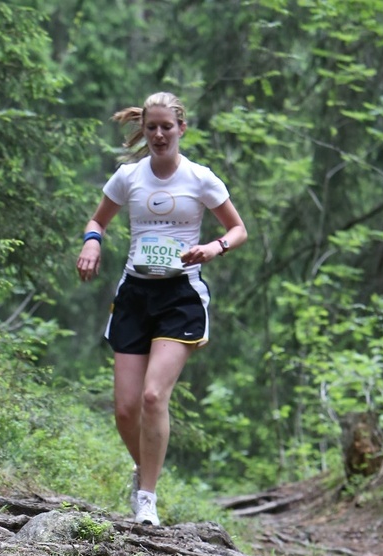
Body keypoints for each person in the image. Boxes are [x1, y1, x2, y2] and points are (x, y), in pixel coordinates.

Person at [75, 92, 247, 526]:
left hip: (181, 297)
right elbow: (98, 219)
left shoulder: (200, 178)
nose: (157, 135)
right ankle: (144, 470)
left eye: (166, 127)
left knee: (154, 396)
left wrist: (213, 247)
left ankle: (147, 500)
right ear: (144, 129)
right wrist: (92, 243)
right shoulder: (128, 177)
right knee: (126, 410)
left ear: (181, 129)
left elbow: (237, 228)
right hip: (135, 293)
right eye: (151, 127)